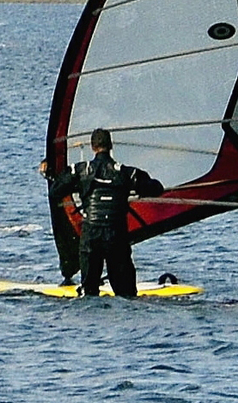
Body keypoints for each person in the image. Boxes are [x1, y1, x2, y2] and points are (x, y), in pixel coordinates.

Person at [43, 127, 166, 298]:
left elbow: (55, 192)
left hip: (91, 236)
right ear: (111, 146)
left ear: (92, 147)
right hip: (116, 235)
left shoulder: (79, 171)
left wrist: (52, 174)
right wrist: (137, 190)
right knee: (127, 294)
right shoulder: (125, 173)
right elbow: (157, 188)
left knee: (89, 292)